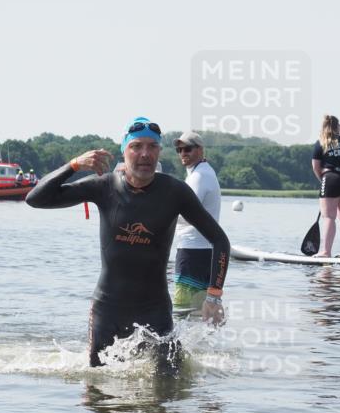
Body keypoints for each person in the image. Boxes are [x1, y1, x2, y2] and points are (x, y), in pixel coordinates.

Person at [26, 117, 230, 367]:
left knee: (167, 390)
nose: (145, 154)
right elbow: (35, 198)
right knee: (96, 394)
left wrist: (214, 296)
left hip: (155, 311)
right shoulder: (104, 187)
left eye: (152, 147)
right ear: (125, 151)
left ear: (159, 152)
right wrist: (74, 165)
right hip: (107, 309)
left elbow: (219, 240)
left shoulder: (175, 192)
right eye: (137, 146)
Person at [172, 131, 222, 309]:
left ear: (200, 150)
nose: (183, 153)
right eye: (179, 150)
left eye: (187, 149)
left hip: (192, 251)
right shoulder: (204, 172)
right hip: (203, 252)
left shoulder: (198, 176)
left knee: (182, 308)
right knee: (198, 311)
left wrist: (158, 215)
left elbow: (185, 214)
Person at [311, 114, 340, 258]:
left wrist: (324, 180)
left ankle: (325, 252)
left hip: (330, 179)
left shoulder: (320, 143)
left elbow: (315, 167)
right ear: (337, 127)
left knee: (329, 217)